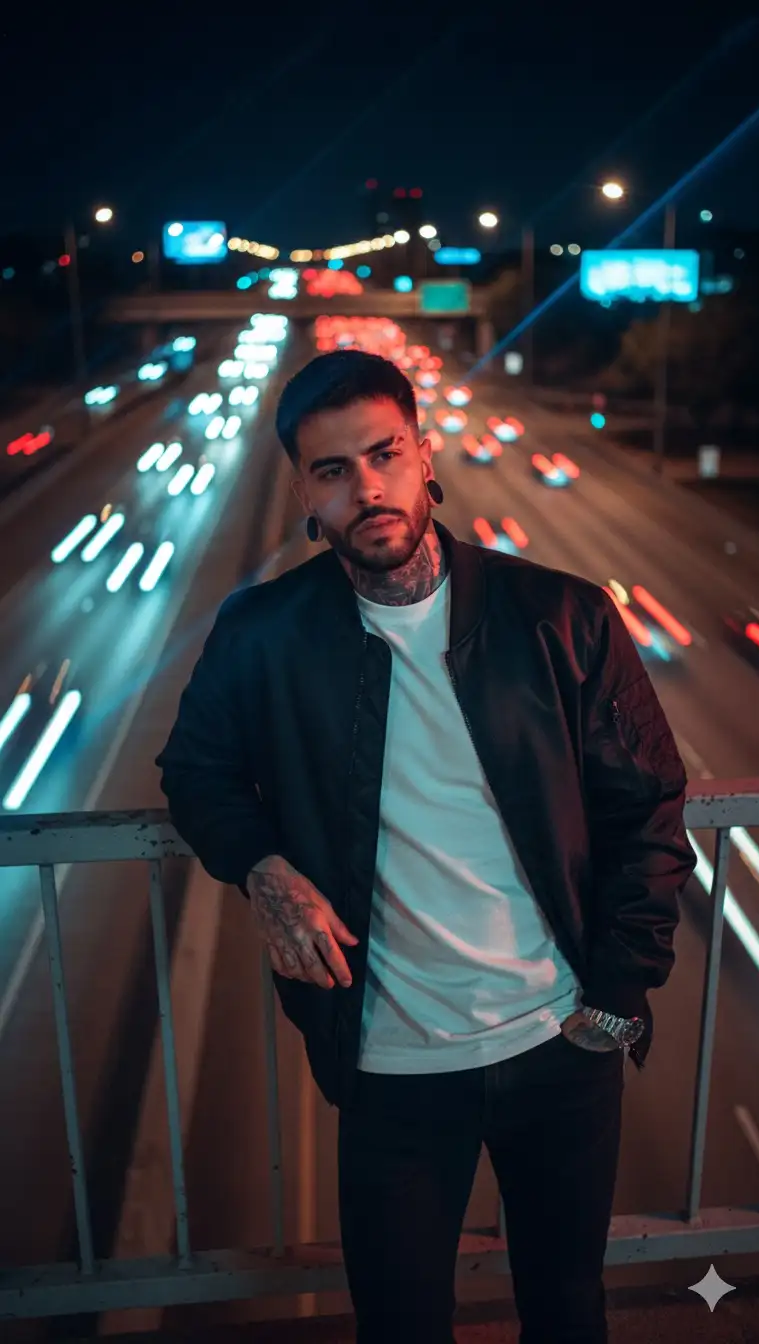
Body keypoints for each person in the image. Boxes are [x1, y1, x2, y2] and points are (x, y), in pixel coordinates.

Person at [156, 349, 697, 1344]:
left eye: (384, 454)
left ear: (423, 457)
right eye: (332, 471)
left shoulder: (562, 617)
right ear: (304, 496)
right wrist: (263, 866)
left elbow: (652, 815)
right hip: (391, 1069)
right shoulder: (263, 632)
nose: (366, 487)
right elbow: (195, 772)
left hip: (560, 1051)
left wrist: (616, 1005)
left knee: (568, 1316)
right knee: (400, 1326)